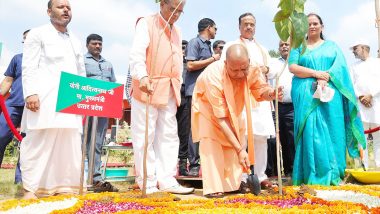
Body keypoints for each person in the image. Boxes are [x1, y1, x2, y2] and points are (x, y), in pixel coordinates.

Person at [192, 44, 282, 198]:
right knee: (213, 144)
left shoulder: (252, 68)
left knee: (235, 143)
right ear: (226, 63)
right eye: (235, 70)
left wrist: (271, 94)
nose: (241, 74)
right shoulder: (213, 76)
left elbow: (260, 89)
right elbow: (221, 119)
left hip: (235, 108)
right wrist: (241, 150)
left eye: (244, 69)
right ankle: (213, 187)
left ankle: (231, 184)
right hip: (209, 111)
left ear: (248, 61)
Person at [288, 13, 366, 186]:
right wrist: (315, 74)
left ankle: (335, 171)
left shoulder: (332, 47)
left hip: (331, 95)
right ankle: (311, 173)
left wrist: (326, 77)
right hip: (307, 95)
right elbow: (292, 67)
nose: (312, 26)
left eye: (315, 23)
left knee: (333, 129)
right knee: (310, 131)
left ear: (322, 26)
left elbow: (340, 67)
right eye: (309, 24)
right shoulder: (298, 47)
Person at [21, 0, 85, 198]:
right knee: (38, 142)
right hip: (44, 99)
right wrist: (30, 92)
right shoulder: (37, 34)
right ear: (49, 11)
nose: (66, 9)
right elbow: (29, 66)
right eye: (60, 6)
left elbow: (80, 72)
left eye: (68, 7)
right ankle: (30, 189)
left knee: (69, 143)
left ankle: (64, 187)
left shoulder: (75, 39)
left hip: (69, 100)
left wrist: (81, 97)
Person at [129, 0, 194, 194]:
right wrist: (141, 76)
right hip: (147, 86)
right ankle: (147, 182)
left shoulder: (178, 31)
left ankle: (167, 180)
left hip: (170, 89)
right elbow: (136, 54)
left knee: (169, 135)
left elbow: (178, 61)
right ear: (162, 3)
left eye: (180, 11)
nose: (175, 14)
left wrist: (178, 84)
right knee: (144, 136)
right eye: (172, 9)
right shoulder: (146, 22)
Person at [221, 12, 276, 188]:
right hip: (240, 96)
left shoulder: (263, 49)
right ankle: (242, 177)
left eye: (252, 24)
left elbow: (274, 70)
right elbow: (224, 66)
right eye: (245, 24)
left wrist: (264, 69)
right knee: (242, 136)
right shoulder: (231, 45)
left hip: (260, 97)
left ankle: (261, 175)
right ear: (239, 26)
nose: (249, 27)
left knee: (260, 137)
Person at [185, 18, 220, 177]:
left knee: (207, 129)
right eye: (215, 28)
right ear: (208, 28)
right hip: (195, 92)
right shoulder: (195, 42)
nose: (216, 31)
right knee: (195, 129)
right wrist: (213, 59)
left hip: (207, 92)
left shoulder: (207, 46)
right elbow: (190, 65)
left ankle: (206, 164)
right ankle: (193, 165)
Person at [84, 33, 118, 192]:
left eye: (100, 44)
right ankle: (77, 177)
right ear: (87, 45)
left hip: (103, 109)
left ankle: (95, 178)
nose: (97, 46)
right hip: (84, 107)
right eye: (94, 44)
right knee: (81, 142)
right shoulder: (81, 61)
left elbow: (113, 86)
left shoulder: (108, 64)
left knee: (97, 143)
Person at [0, 30, 29, 184]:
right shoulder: (17, 58)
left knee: (27, 145)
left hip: (33, 109)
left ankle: (20, 180)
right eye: (25, 40)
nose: (27, 42)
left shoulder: (44, 61)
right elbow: (7, 81)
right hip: (12, 106)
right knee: (0, 136)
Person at [349, 41, 380, 169]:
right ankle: (365, 165)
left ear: (363, 48)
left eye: (355, 48)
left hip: (376, 103)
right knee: (363, 138)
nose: (353, 51)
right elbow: (350, 85)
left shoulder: (377, 63)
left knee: (378, 138)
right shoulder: (353, 66)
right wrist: (362, 97)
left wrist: (371, 95)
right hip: (360, 105)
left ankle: (378, 165)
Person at [267, 40, 295, 177]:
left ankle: (293, 170)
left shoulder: (297, 62)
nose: (284, 47)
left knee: (291, 138)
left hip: (293, 106)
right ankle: (279, 172)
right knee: (276, 139)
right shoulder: (273, 63)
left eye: (287, 44)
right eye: (281, 45)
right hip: (276, 106)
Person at [176, 39, 190, 176]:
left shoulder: (189, 63)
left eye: (184, 47)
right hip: (170, 96)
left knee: (184, 132)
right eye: (180, 47)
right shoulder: (171, 61)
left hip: (185, 97)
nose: (182, 49)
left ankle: (182, 164)